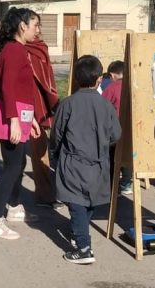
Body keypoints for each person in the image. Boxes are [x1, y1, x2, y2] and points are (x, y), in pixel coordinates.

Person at [51, 55, 122, 264]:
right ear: (100, 78)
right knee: (89, 201)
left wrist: (54, 153)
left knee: (76, 202)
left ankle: (84, 248)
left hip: (73, 161)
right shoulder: (106, 105)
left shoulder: (67, 104)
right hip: (98, 161)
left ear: (75, 79)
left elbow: (56, 133)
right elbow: (116, 134)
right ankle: (79, 232)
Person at [0, 7, 41, 240]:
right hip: (12, 116)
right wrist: (15, 122)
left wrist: (33, 119)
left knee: (19, 164)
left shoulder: (19, 49)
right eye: (35, 25)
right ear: (22, 26)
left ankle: (14, 206)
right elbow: (7, 88)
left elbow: (23, 89)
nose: (37, 30)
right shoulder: (14, 50)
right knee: (11, 168)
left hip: (21, 114)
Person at [25, 26, 60, 207]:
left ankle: (46, 193)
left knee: (42, 152)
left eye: (39, 25)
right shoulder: (24, 51)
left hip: (43, 103)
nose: (38, 29)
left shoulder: (40, 47)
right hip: (31, 106)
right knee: (39, 153)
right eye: (34, 25)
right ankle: (44, 196)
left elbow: (47, 78)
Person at [101, 60, 133, 196]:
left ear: (112, 75)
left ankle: (113, 187)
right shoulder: (133, 85)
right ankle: (126, 184)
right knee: (129, 158)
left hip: (115, 129)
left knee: (113, 159)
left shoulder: (111, 88)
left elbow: (102, 106)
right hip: (132, 129)